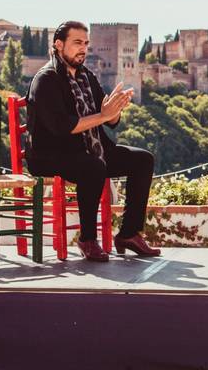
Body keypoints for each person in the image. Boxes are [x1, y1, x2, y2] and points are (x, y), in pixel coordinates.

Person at [26, 21, 160, 262]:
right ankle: (87, 239)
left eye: (86, 44)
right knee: (93, 166)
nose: (83, 49)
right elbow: (62, 127)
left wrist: (116, 108)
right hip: (50, 155)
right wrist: (104, 115)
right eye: (77, 43)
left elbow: (109, 121)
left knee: (142, 159)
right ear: (59, 45)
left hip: (89, 149)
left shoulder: (87, 76)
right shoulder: (46, 79)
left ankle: (129, 234)